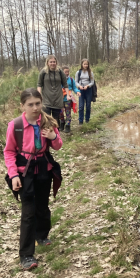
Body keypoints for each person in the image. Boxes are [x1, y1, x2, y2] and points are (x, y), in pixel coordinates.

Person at [4, 88, 63, 270]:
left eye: (38, 103)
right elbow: (9, 152)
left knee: (43, 206)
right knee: (28, 212)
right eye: (30, 104)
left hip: (44, 169)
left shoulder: (47, 121)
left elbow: (58, 145)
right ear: (22, 106)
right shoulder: (16, 125)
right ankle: (26, 255)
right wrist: (13, 175)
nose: (35, 107)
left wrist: (52, 136)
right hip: (24, 173)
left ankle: (42, 235)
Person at [37, 55, 70, 128]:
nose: (52, 63)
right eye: (51, 62)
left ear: (56, 62)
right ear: (47, 63)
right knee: (46, 119)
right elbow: (39, 85)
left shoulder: (60, 72)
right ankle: (46, 137)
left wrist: (68, 95)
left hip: (57, 99)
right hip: (46, 99)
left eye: (54, 62)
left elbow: (65, 84)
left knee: (56, 119)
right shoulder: (43, 72)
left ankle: (56, 136)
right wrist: (39, 96)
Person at [59, 66, 81, 133]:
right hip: (60, 99)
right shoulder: (59, 79)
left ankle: (68, 125)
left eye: (68, 71)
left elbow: (74, 88)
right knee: (60, 113)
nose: (67, 73)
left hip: (68, 98)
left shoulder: (71, 79)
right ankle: (62, 123)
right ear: (62, 72)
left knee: (68, 112)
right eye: (65, 72)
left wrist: (77, 91)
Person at [75, 59, 95, 125]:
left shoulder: (90, 72)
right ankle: (80, 120)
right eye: (84, 64)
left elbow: (92, 82)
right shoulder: (78, 72)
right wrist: (79, 86)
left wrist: (88, 86)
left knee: (88, 105)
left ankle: (87, 119)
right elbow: (76, 82)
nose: (86, 65)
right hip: (81, 90)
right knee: (81, 106)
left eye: (87, 64)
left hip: (88, 90)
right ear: (82, 64)